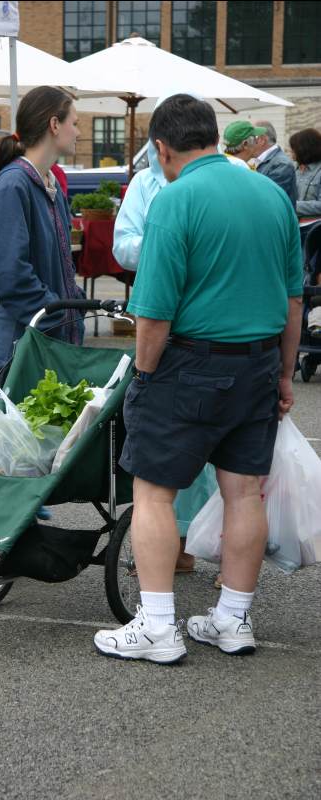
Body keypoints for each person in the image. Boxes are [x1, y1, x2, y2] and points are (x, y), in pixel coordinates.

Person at [94, 94, 303, 664]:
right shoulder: (271, 195)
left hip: (187, 363)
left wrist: (143, 374)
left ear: (162, 148)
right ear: (213, 136)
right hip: (258, 362)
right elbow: (292, 299)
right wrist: (285, 374)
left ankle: (158, 626)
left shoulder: (174, 200)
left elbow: (154, 309)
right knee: (243, 492)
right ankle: (233, 620)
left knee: (153, 492)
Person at [0, 86, 85, 534]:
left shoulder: (46, 184)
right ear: (53, 125)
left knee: (19, 448)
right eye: (74, 121)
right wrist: (58, 312)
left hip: (36, 339)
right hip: (11, 342)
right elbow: (8, 273)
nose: (78, 130)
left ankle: (4, 540)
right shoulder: (15, 183)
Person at [114, 136, 216, 575]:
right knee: (178, 440)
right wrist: (166, 245)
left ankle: (194, 543)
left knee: (201, 447)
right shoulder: (144, 184)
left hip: (199, 325)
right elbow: (124, 245)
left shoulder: (219, 181)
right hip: (175, 321)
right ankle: (173, 545)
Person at [251, 120, 297, 203]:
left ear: (261, 140)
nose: (248, 143)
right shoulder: (261, 160)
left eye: (251, 139)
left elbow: (268, 197)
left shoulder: (281, 164)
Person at [289, 127, 321, 218]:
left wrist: (292, 205)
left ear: (305, 149)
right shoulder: (292, 168)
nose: (291, 152)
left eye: (294, 149)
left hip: (313, 228)